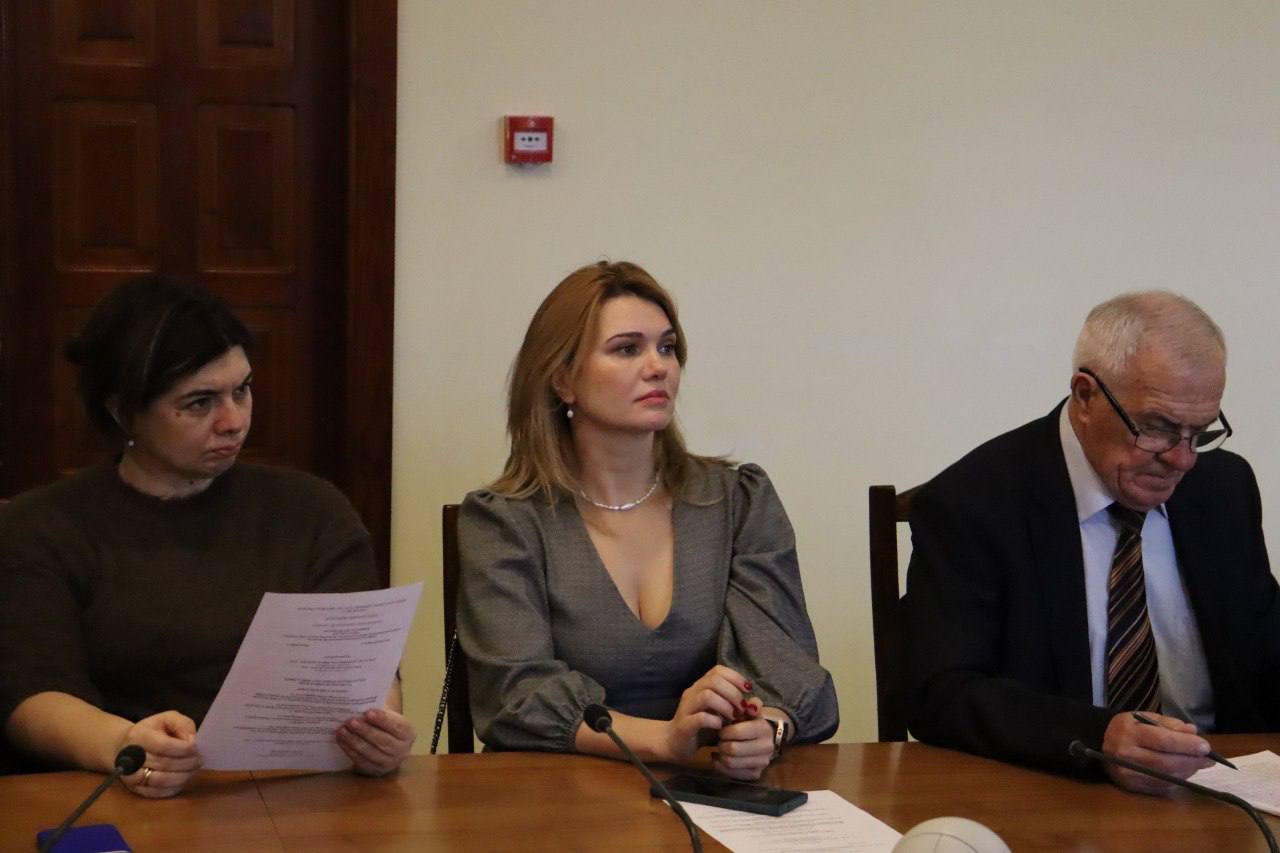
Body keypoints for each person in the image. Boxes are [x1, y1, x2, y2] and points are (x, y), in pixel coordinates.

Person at [0, 274, 415, 795]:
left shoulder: (311, 510)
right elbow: (32, 696)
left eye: (241, 390)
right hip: (115, 797)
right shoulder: (43, 525)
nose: (233, 421)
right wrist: (126, 744)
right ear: (122, 410)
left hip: (296, 795)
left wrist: (379, 728)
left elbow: (364, 665)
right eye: (200, 402)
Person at [457, 260, 837, 780]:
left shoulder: (738, 499)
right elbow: (515, 695)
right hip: (552, 791)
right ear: (563, 379)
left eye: (668, 347)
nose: (659, 367)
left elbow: (784, 666)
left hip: (712, 787)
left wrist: (766, 728)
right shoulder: (504, 521)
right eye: (627, 349)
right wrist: (663, 739)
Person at [902, 291, 1277, 794]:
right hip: (1058, 792)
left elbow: (1264, 653)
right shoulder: (974, 503)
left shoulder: (1223, 488)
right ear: (1085, 396)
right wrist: (1098, 737)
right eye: (1158, 428)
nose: (1183, 459)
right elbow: (939, 693)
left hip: (1224, 789)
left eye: (1200, 432)